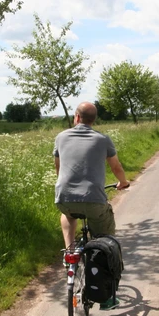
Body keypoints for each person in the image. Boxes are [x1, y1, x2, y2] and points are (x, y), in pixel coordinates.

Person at [53, 101, 130, 248]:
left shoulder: (61, 137)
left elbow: (58, 165)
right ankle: (101, 252)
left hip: (64, 198)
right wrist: (123, 182)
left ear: (76, 117)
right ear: (94, 119)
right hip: (94, 199)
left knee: (68, 215)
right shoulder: (103, 139)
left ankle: (70, 252)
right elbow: (116, 167)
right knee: (105, 237)